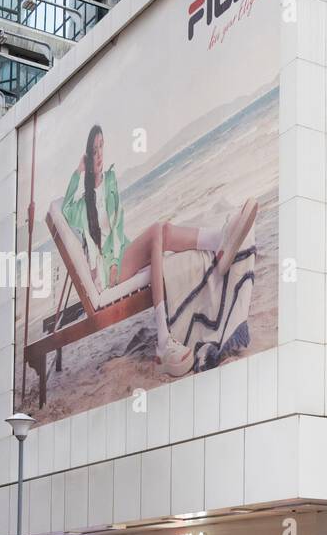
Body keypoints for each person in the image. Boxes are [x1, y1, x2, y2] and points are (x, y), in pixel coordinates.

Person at [60, 124, 256, 376]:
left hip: (123, 256)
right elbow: (65, 209)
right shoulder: (80, 204)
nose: (99, 155)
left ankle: (219, 242)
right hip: (111, 273)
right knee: (157, 230)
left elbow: (117, 232)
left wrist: (138, 250)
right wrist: (79, 170)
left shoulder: (109, 182)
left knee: (163, 231)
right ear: (87, 155)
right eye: (94, 149)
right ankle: (163, 339)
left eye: (101, 147)